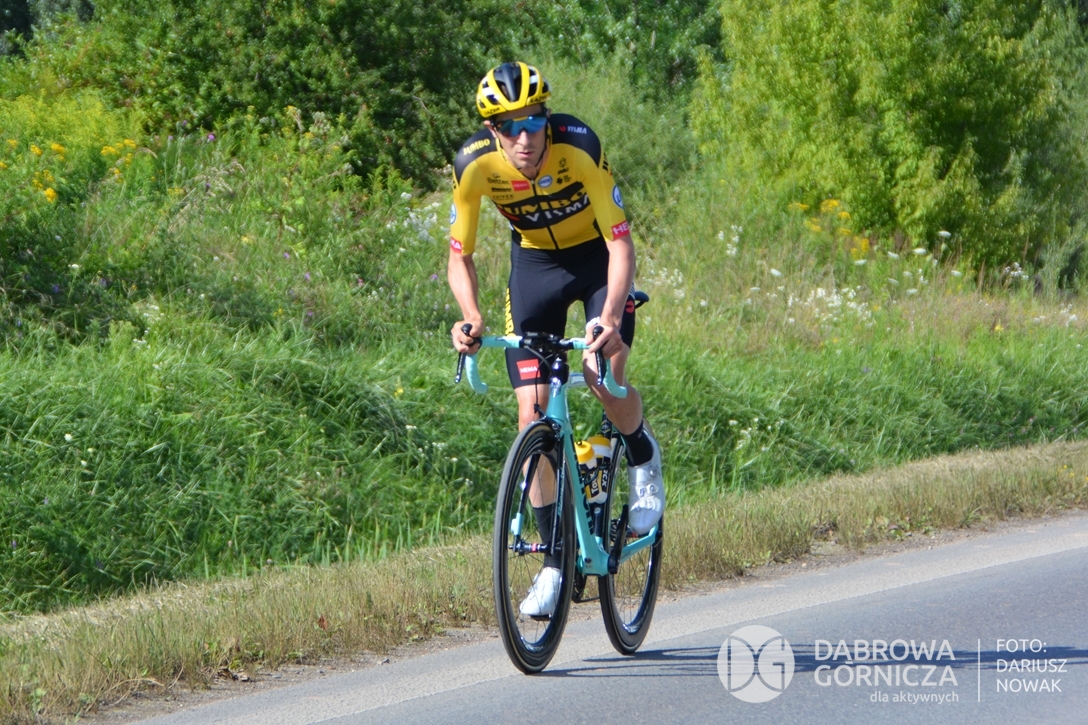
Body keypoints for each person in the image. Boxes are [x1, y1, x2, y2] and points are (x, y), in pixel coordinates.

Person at [447, 62, 663, 617]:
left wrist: (608, 316)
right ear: (492, 130)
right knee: (531, 415)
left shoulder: (579, 145)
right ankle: (552, 559)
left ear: (548, 118)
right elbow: (460, 255)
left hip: (596, 262)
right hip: (535, 267)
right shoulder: (473, 166)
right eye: (510, 126)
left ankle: (642, 454)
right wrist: (470, 317)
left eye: (534, 122)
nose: (525, 137)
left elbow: (620, 243)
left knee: (600, 376)